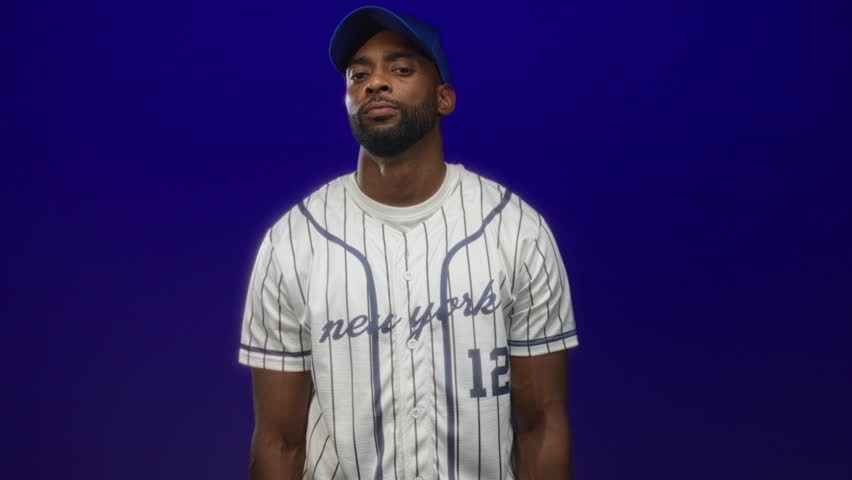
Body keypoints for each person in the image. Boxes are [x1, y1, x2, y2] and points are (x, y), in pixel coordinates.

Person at [238, 6, 579, 480]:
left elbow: (542, 424)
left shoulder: (517, 232)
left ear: (444, 98)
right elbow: (279, 440)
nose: (375, 83)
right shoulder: (292, 242)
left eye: (400, 69)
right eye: (359, 74)